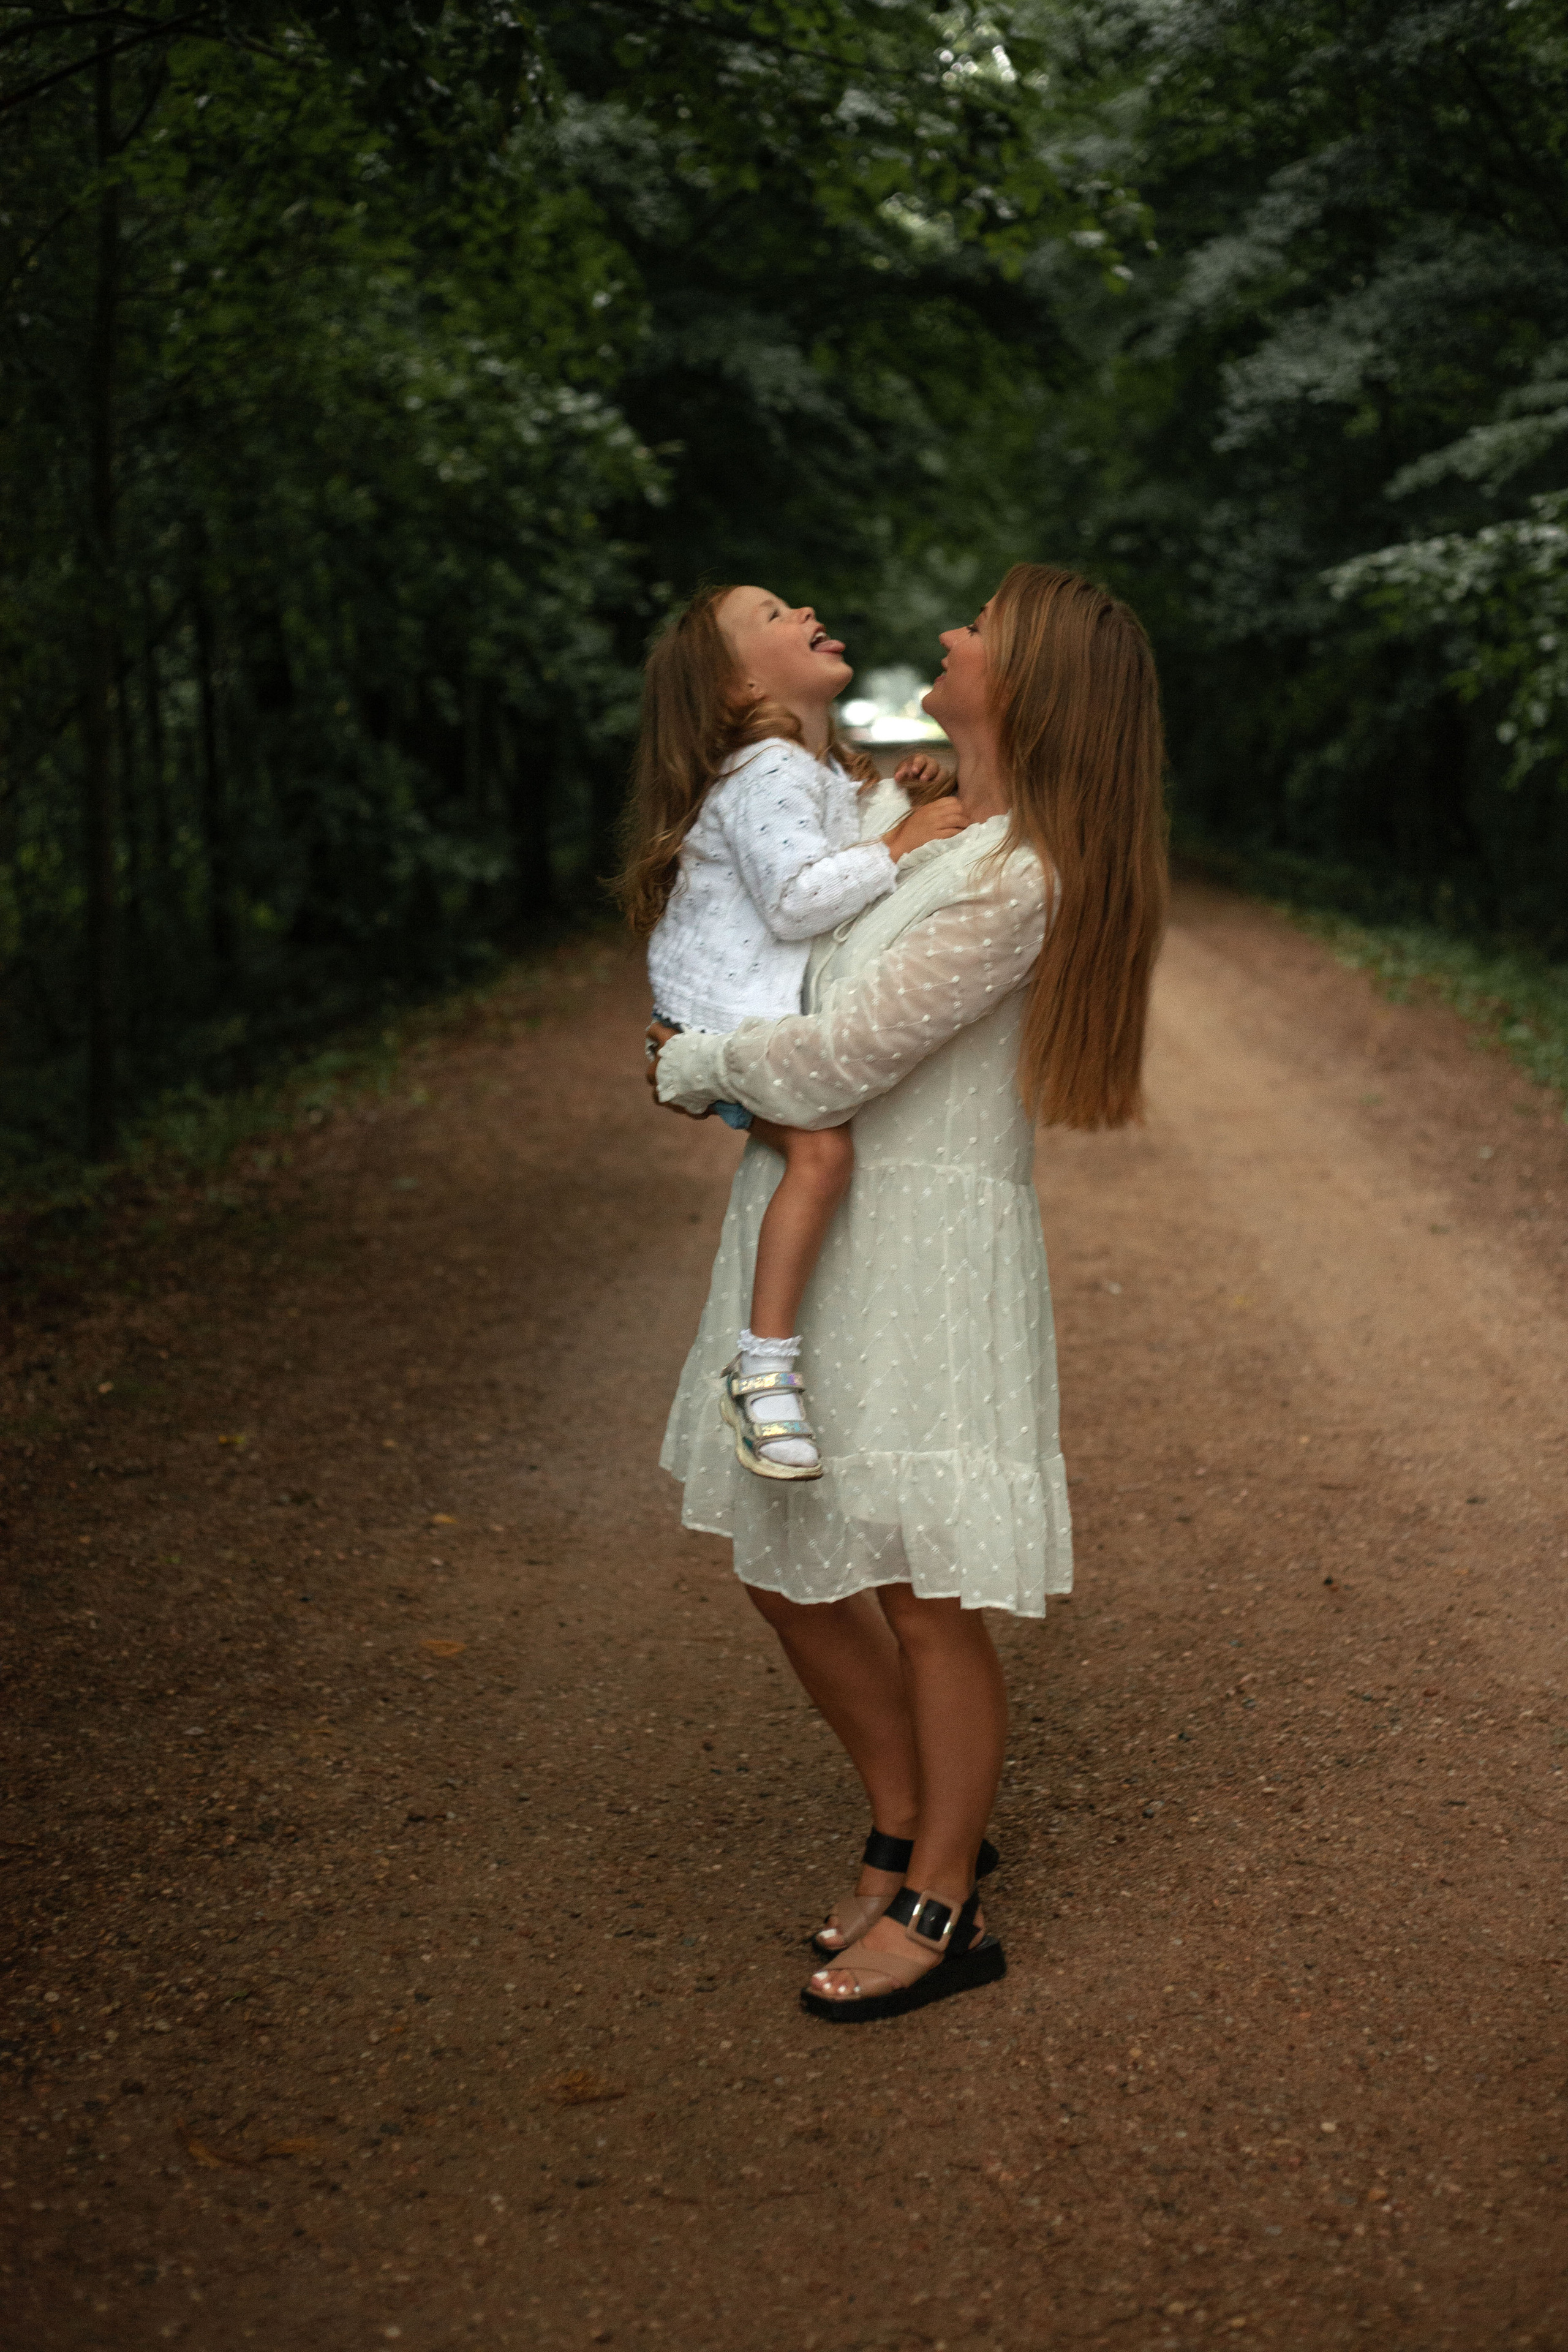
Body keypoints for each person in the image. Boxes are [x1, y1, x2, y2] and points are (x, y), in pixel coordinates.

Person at [647, 563, 1167, 2020]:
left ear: (1033, 682)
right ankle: (900, 1813)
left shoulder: (1018, 878)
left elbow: (827, 1061)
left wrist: (681, 1066)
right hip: (814, 1233)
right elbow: (773, 925)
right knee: (783, 1557)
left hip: (924, 1248)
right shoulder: (893, 811)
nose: (947, 635)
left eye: (979, 630)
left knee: (921, 1589)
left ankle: (943, 1896)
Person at [618, 582, 965, 1477]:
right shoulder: (766, 772)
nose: (806, 612)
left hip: (735, 1021)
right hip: (719, 1026)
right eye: (773, 617)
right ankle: (763, 1372)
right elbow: (797, 896)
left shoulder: (806, 771)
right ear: (735, 692)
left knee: (820, 1157)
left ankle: (770, 1362)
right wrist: (901, 845)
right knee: (822, 1156)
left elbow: (821, 846)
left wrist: (895, 799)